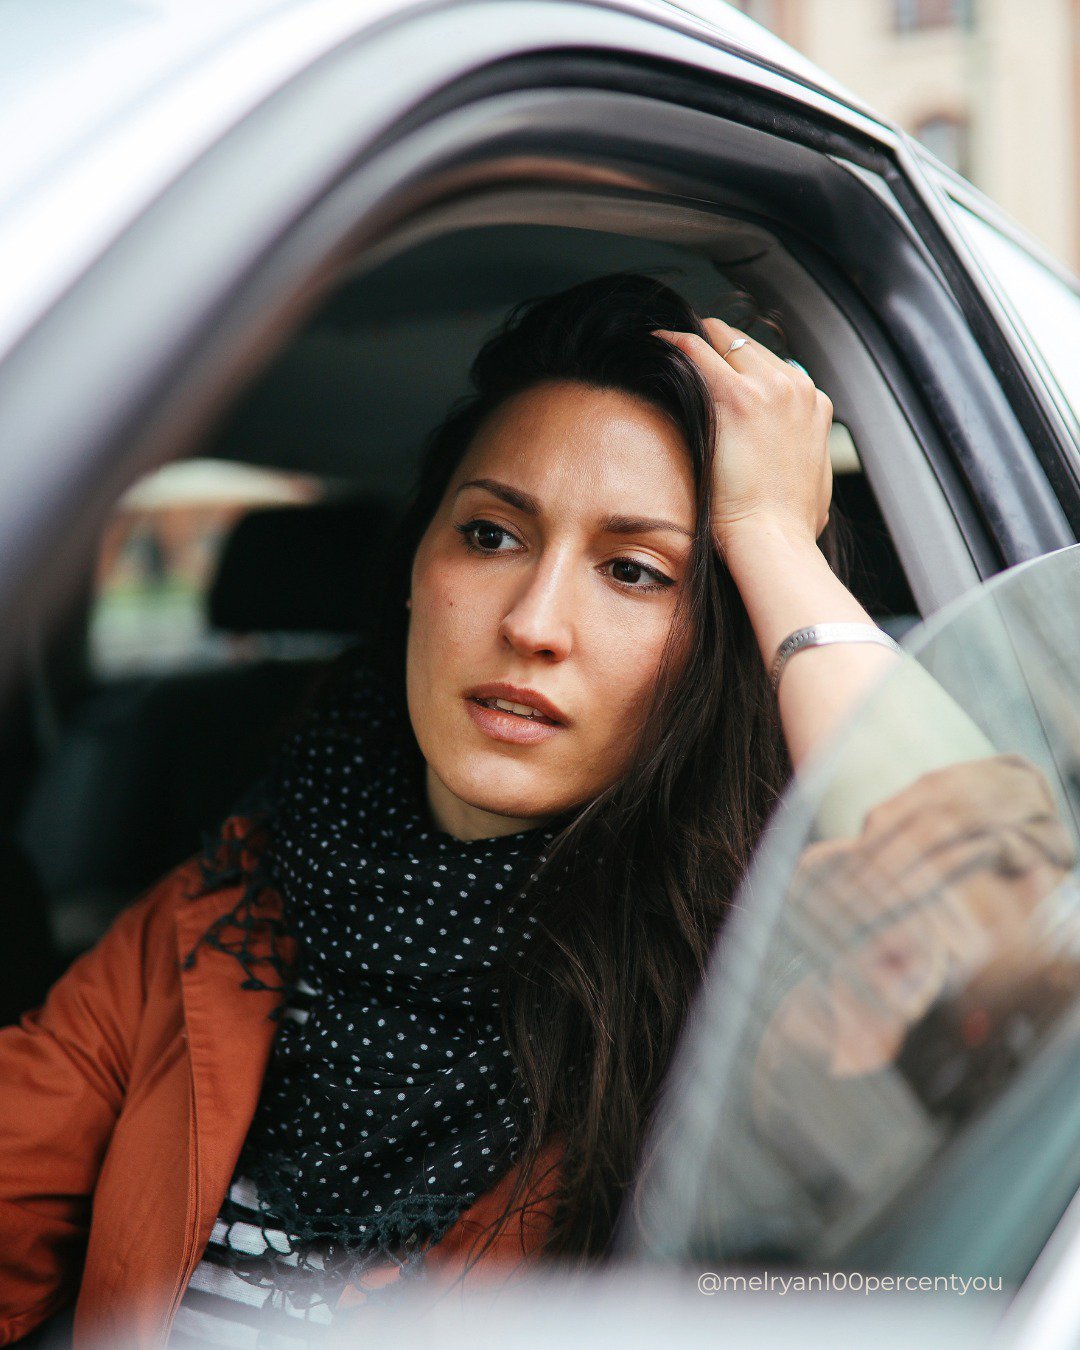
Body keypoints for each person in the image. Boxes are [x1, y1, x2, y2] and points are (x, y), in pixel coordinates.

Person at [0, 273, 912, 1348]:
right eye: (490, 536)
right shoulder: (238, 900)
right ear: (412, 572)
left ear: (714, 646)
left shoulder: (753, 981)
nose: (533, 623)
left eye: (633, 570)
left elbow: (1006, 919)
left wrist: (768, 538)